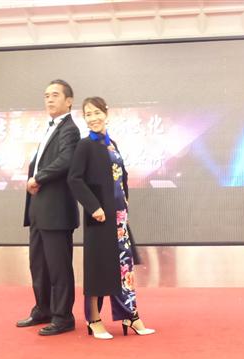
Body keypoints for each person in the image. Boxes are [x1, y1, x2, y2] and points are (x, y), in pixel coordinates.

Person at [68, 96, 155, 339]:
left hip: (118, 216)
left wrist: (125, 202)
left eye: (97, 112)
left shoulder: (111, 144)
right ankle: (94, 319)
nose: (93, 118)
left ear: (106, 114)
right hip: (99, 217)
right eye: (88, 114)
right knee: (97, 269)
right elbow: (74, 179)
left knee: (124, 268)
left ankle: (130, 315)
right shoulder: (85, 145)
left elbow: (120, 176)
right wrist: (94, 207)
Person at [16, 79, 80, 336]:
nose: (49, 99)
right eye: (46, 95)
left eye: (55, 95)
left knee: (58, 268)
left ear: (69, 101)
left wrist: (38, 178)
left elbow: (66, 160)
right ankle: (43, 309)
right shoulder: (50, 128)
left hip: (57, 212)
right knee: (39, 266)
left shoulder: (70, 129)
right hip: (39, 210)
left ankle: (63, 317)